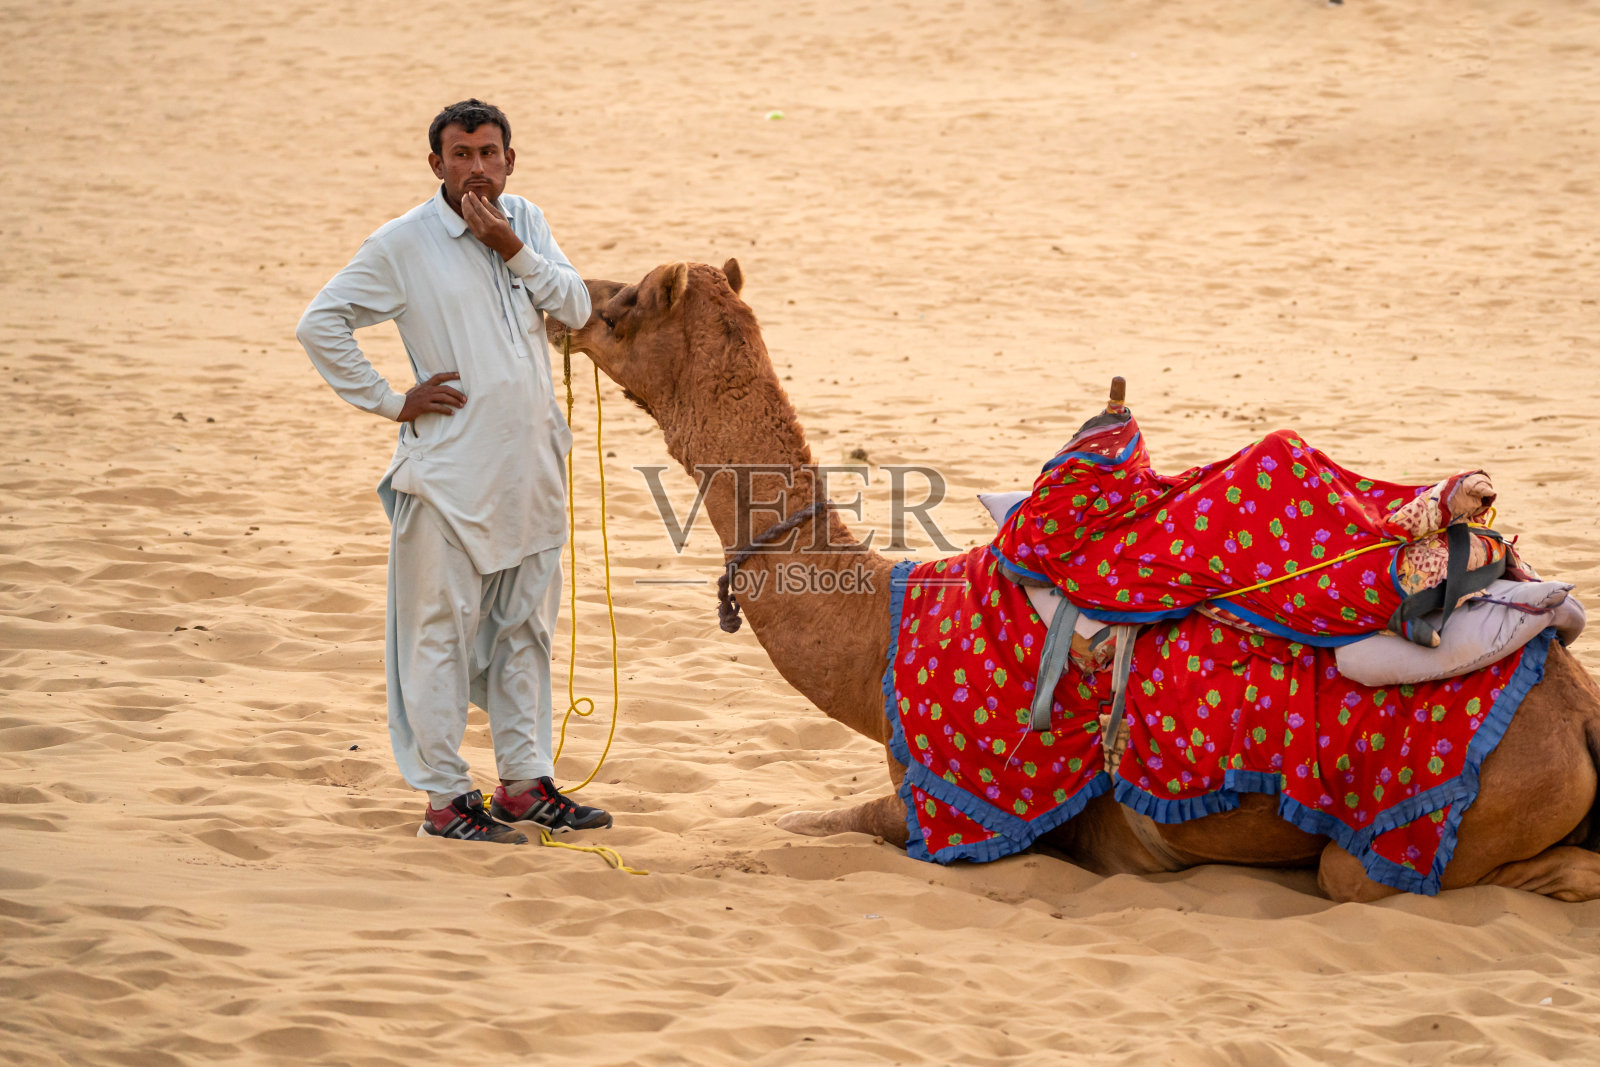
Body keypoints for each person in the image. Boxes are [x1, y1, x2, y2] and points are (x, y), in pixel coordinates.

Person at [296, 99, 609, 844]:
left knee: (526, 629)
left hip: (532, 470)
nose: (476, 166)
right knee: (438, 634)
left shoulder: (525, 219)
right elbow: (321, 323)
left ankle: (525, 784)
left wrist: (509, 245)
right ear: (435, 163)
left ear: (510, 160)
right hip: (448, 481)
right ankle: (444, 797)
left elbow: (575, 306)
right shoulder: (403, 243)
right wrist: (390, 399)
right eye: (461, 153)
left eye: (489, 152)